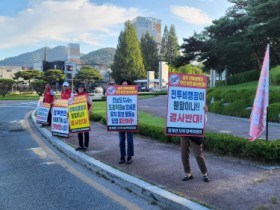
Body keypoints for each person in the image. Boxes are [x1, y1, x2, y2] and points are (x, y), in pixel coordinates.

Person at [181, 106, 209, 182]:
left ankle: (204, 173)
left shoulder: (198, 103)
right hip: (184, 132)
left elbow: (204, 120)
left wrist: (204, 111)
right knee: (184, 154)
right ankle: (188, 173)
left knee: (198, 155)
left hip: (195, 133)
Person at [118, 80, 134, 164]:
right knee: (121, 140)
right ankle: (122, 156)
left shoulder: (132, 95)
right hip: (120, 120)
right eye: (123, 84)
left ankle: (129, 156)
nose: (124, 86)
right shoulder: (116, 95)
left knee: (130, 140)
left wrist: (135, 118)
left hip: (129, 120)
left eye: (126, 85)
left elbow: (134, 107)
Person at [74, 82, 93, 151]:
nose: (81, 89)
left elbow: (91, 104)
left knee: (85, 131)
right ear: (77, 89)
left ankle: (85, 146)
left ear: (84, 88)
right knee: (79, 131)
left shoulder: (86, 95)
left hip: (85, 116)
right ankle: (80, 145)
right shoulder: (76, 97)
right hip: (78, 116)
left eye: (82, 87)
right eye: (79, 88)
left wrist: (89, 111)